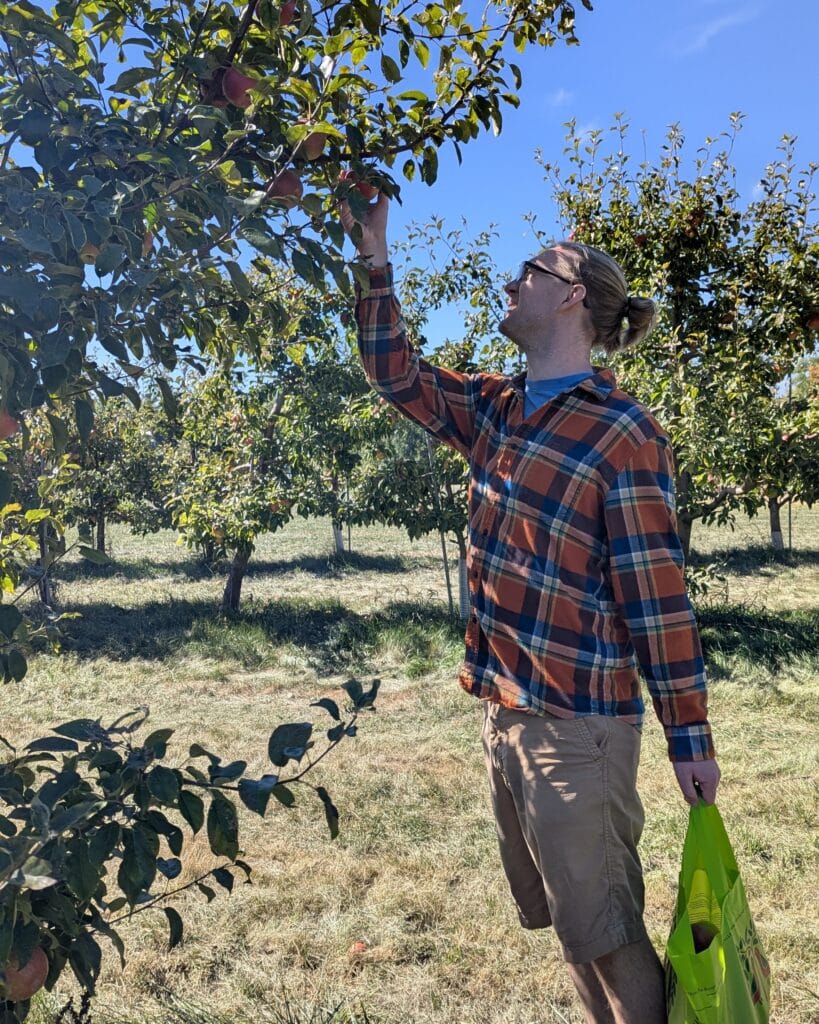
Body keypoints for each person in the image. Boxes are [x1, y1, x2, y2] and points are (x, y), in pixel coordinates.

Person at [340, 192, 720, 1024]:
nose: (509, 282)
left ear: (572, 293)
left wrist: (687, 733)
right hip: (505, 712)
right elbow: (394, 373)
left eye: (529, 271)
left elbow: (656, 597)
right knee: (570, 929)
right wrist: (374, 262)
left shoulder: (622, 433)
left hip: (577, 722)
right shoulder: (496, 410)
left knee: (611, 934)